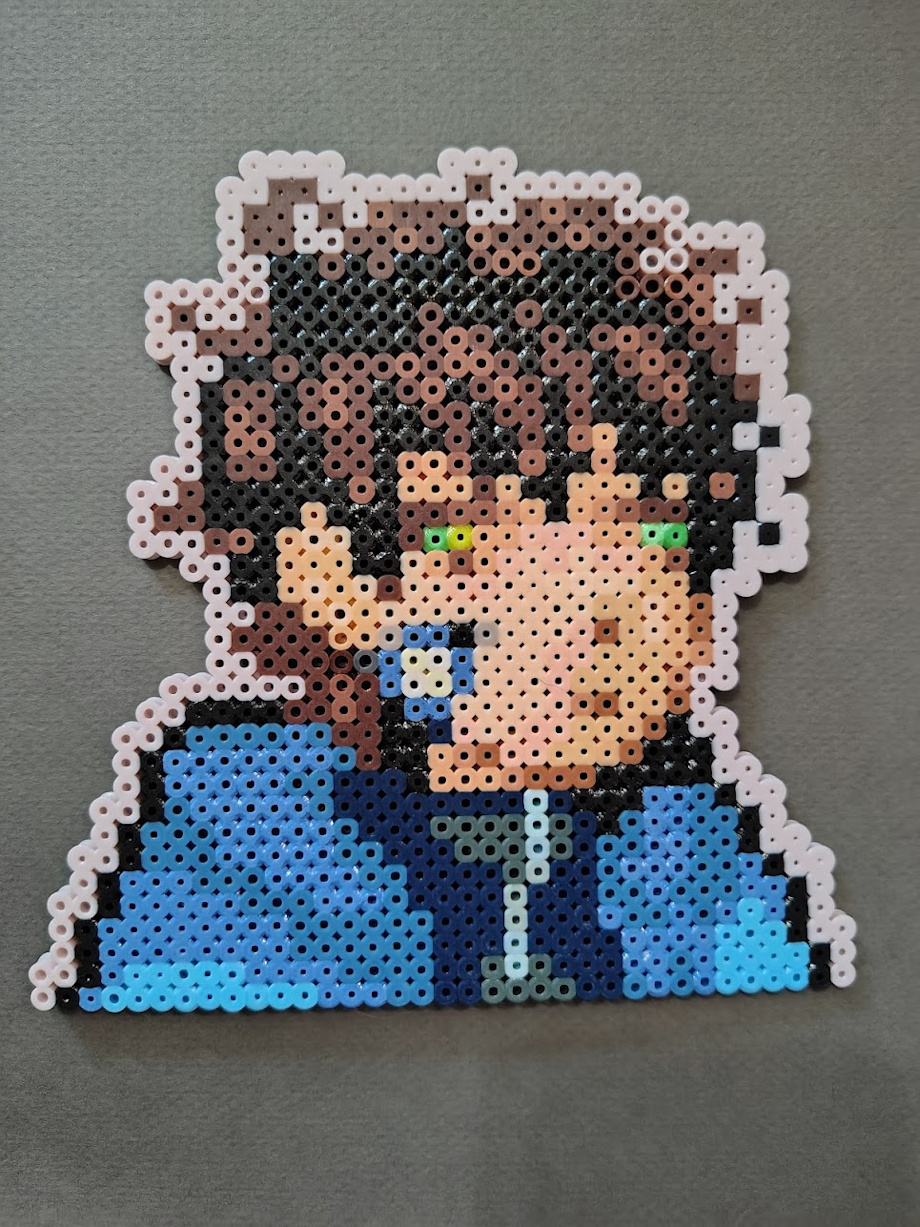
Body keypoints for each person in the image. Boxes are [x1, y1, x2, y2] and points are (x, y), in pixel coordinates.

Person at [29, 148, 855, 1012]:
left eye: (657, 532)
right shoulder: (229, 834)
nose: (609, 608)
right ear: (326, 580)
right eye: (464, 542)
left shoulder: (695, 840)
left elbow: (750, 948)